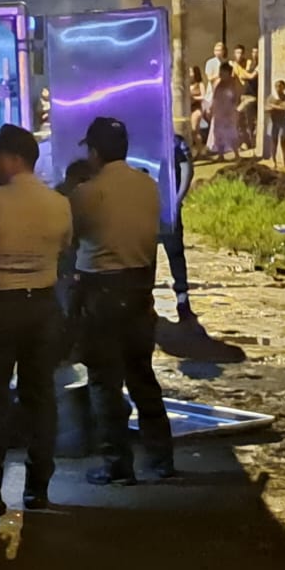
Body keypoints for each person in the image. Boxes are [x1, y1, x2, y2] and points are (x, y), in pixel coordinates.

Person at [0, 125, 72, 516]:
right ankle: (38, 488)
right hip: (42, 306)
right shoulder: (59, 204)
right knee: (40, 398)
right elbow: (64, 247)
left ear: (12, 159)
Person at [70, 116, 174, 483]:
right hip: (139, 291)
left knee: (105, 382)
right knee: (143, 377)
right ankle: (162, 459)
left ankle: (117, 464)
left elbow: (70, 235)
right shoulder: (147, 186)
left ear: (94, 152)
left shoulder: (87, 193)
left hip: (101, 295)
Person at [158, 132, 199, 328]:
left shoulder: (138, 137)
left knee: (146, 255)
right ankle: (182, 296)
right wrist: (177, 199)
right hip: (167, 208)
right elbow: (187, 170)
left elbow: (187, 169)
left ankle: (146, 300)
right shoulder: (175, 140)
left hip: (146, 208)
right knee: (175, 253)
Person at [207, 62, 242, 158]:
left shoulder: (233, 83)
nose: (221, 74)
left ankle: (236, 154)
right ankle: (221, 155)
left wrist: (231, 111)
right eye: (220, 72)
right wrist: (211, 109)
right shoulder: (218, 84)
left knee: (231, 133)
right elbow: (214, 97)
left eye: (223, 72)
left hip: (229, 113)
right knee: (219, 134)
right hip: (219, 113)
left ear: (228, 72)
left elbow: (236, 98)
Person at [268, 81, 285, 168]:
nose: (278, 88)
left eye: (280, 86)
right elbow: (266, 107)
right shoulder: (271, 97)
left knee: (283, 141)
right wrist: (272, 106)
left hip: (283, 123)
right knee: (274, 142)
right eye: (276, 86)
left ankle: (284, 161)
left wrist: (272, 106)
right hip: (273, 122)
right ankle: (274, 161)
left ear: (284, 88)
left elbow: (284, 107)